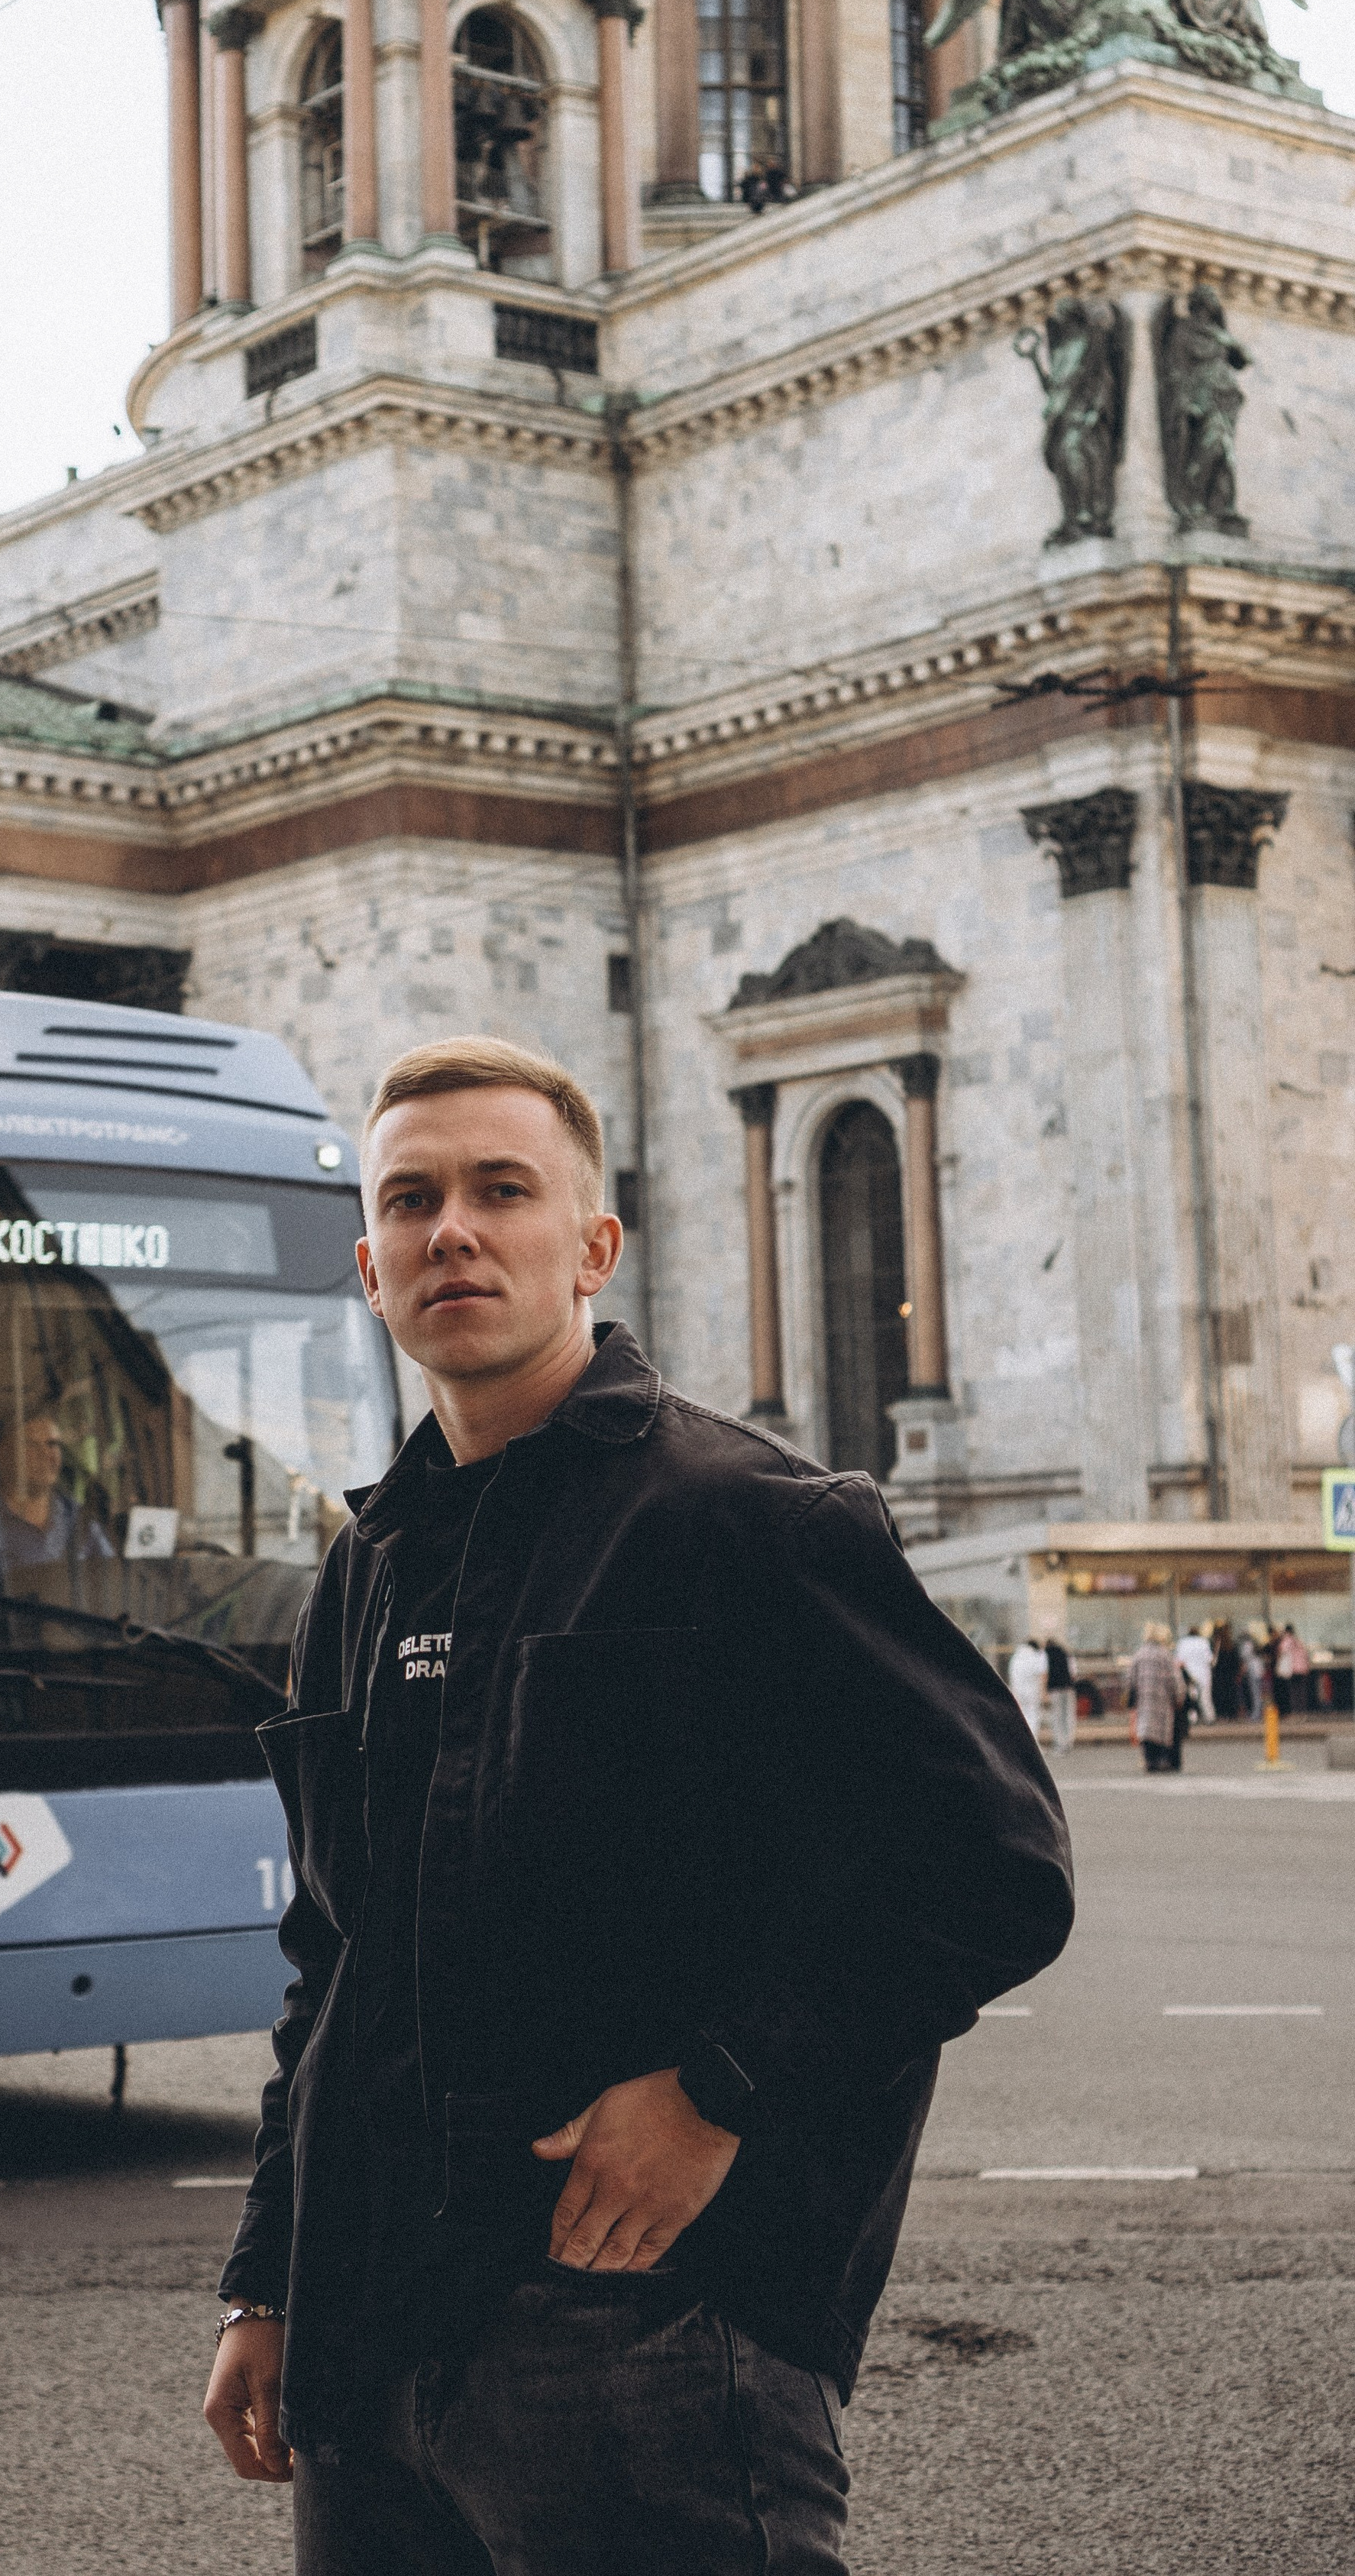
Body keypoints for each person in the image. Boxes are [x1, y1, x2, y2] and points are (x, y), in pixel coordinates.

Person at [204, 1037, 1075, 2574]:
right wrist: (269, 2281)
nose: (450, 1231)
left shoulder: (743, 1523)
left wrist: (717, 2089)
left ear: (590, 1246)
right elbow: (334, 1959)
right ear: (368, 1266)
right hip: (371, 2341)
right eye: (409, 1201)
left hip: (642, 2332)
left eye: (499, 1191)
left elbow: (994, 1869)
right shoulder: (365, 1566)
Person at [0, 1400, 115, 1581]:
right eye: (33, 1445)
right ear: (4, 1455)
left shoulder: (79, 1520)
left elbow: (111, 1581)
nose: (47, 1455)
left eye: (53, 1444)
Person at [1127, 1623, 1186, 1774]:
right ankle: (1163, 1760)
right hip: (1163, 1699)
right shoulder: (1165, 1654)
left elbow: (1130, 1679)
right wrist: (1179, 1696)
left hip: (1145, 1699)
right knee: (1162, 1730)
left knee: (1147, 1729)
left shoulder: (1139, 1654)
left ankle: (1150, 1761)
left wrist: (1131, 1696)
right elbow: (1176, 1679)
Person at [1007, 1635, 1048, 1743]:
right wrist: (1044, 1692)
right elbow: (1043, 1674)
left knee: (1022, 1716)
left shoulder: (1015, 1657)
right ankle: (1033, 1742)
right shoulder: (1035, 1657)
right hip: (1032, 1691)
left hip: (1018, 1691)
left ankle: (1022, 1741)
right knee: (1033, 1716)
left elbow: (1012, 1676)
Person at [1175, 1623, 1215, 1727]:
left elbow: (1179, 1661)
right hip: (1204, 1673)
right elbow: (1210, 1660)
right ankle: (1209, 1717)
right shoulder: (1203, 1642)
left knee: (1191, 1697)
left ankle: (1193, 1718)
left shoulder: (1182, 1643)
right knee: (1205, 1697)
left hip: (1189, 1674)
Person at [1043, 1634, 1077, 1756]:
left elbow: (1045, 1673)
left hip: (1055, 1689)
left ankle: (1059, 1743)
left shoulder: (1046, 1654)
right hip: (1068, 1688)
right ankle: (1069, 1742)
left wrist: (1044, 1691)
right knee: (1068, 1715)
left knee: (1057, 1717)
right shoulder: (1066, 1654)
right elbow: (1073, 1672)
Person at [1237, 1626, 1264, 1723]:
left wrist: (1242, 1669)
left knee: (1255, 1693)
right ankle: (1256, 1712)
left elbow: (1245, 1658)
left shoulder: (1246, 1645)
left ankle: (1257, 1714)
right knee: (1255, 1692)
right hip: (1256, 1670)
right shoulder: (1251, 1644)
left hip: (1254, 1671)